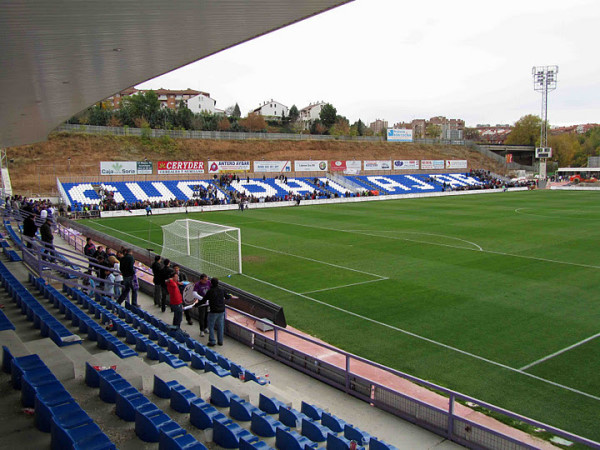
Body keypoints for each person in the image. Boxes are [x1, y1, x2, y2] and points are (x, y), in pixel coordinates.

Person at [203, 277, 231, 346]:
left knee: (211, 326)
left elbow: (204, 299)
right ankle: (220, 341)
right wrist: (230, 296)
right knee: (220, 326)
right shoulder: (222, 289)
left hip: (213, 311)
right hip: (221, 311)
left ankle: (212, 341)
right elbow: (227, 297)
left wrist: (197, 304)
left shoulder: (210, 291)